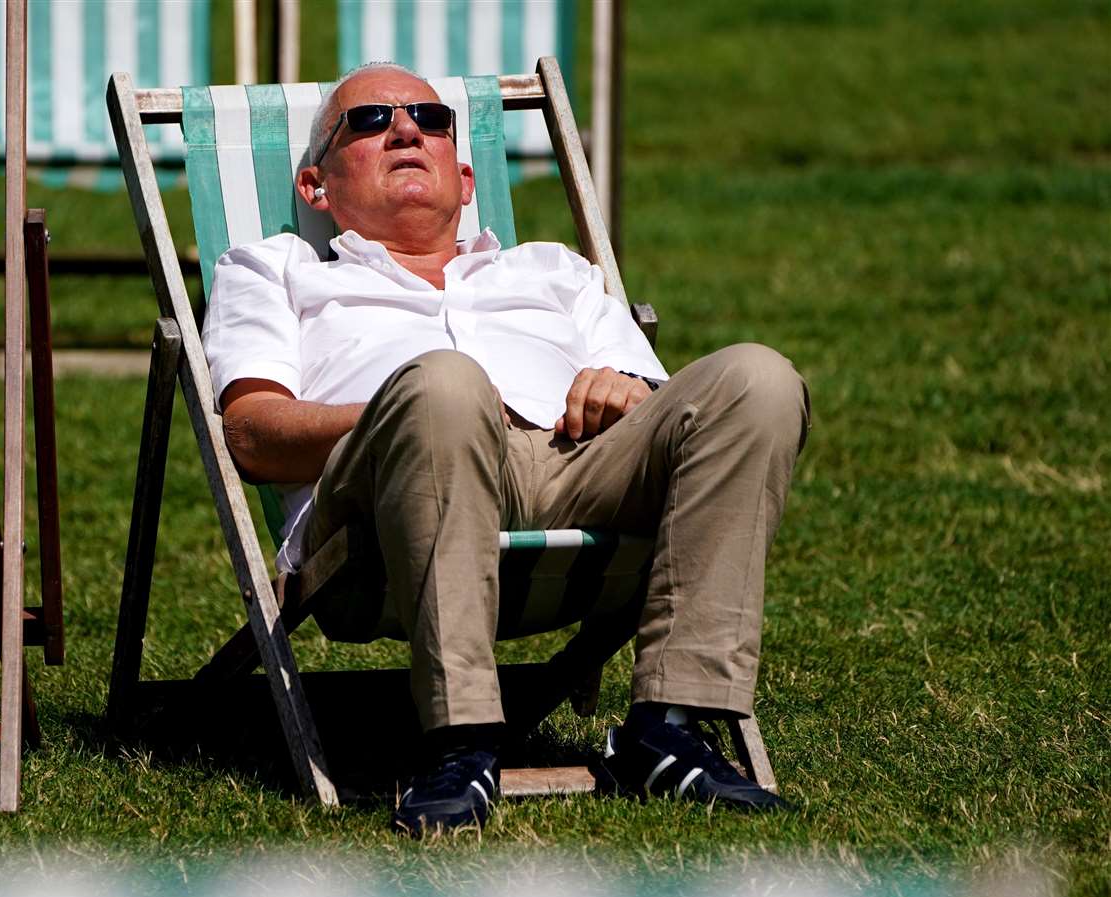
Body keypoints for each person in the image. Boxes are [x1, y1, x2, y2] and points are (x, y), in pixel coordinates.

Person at [202, 63, 810, 837]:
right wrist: (405, 411)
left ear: (463, 175)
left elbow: (666, 414)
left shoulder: (551, 270)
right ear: (315, 186)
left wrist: (626, 391)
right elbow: (252, 435)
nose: (404, 129)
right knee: (445, 385)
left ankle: (671, 727)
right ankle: (460, 743)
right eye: (368, 121)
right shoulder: (274, 268)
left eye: (427, 116)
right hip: (384, 507)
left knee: (755, 379)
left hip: (574, 464)